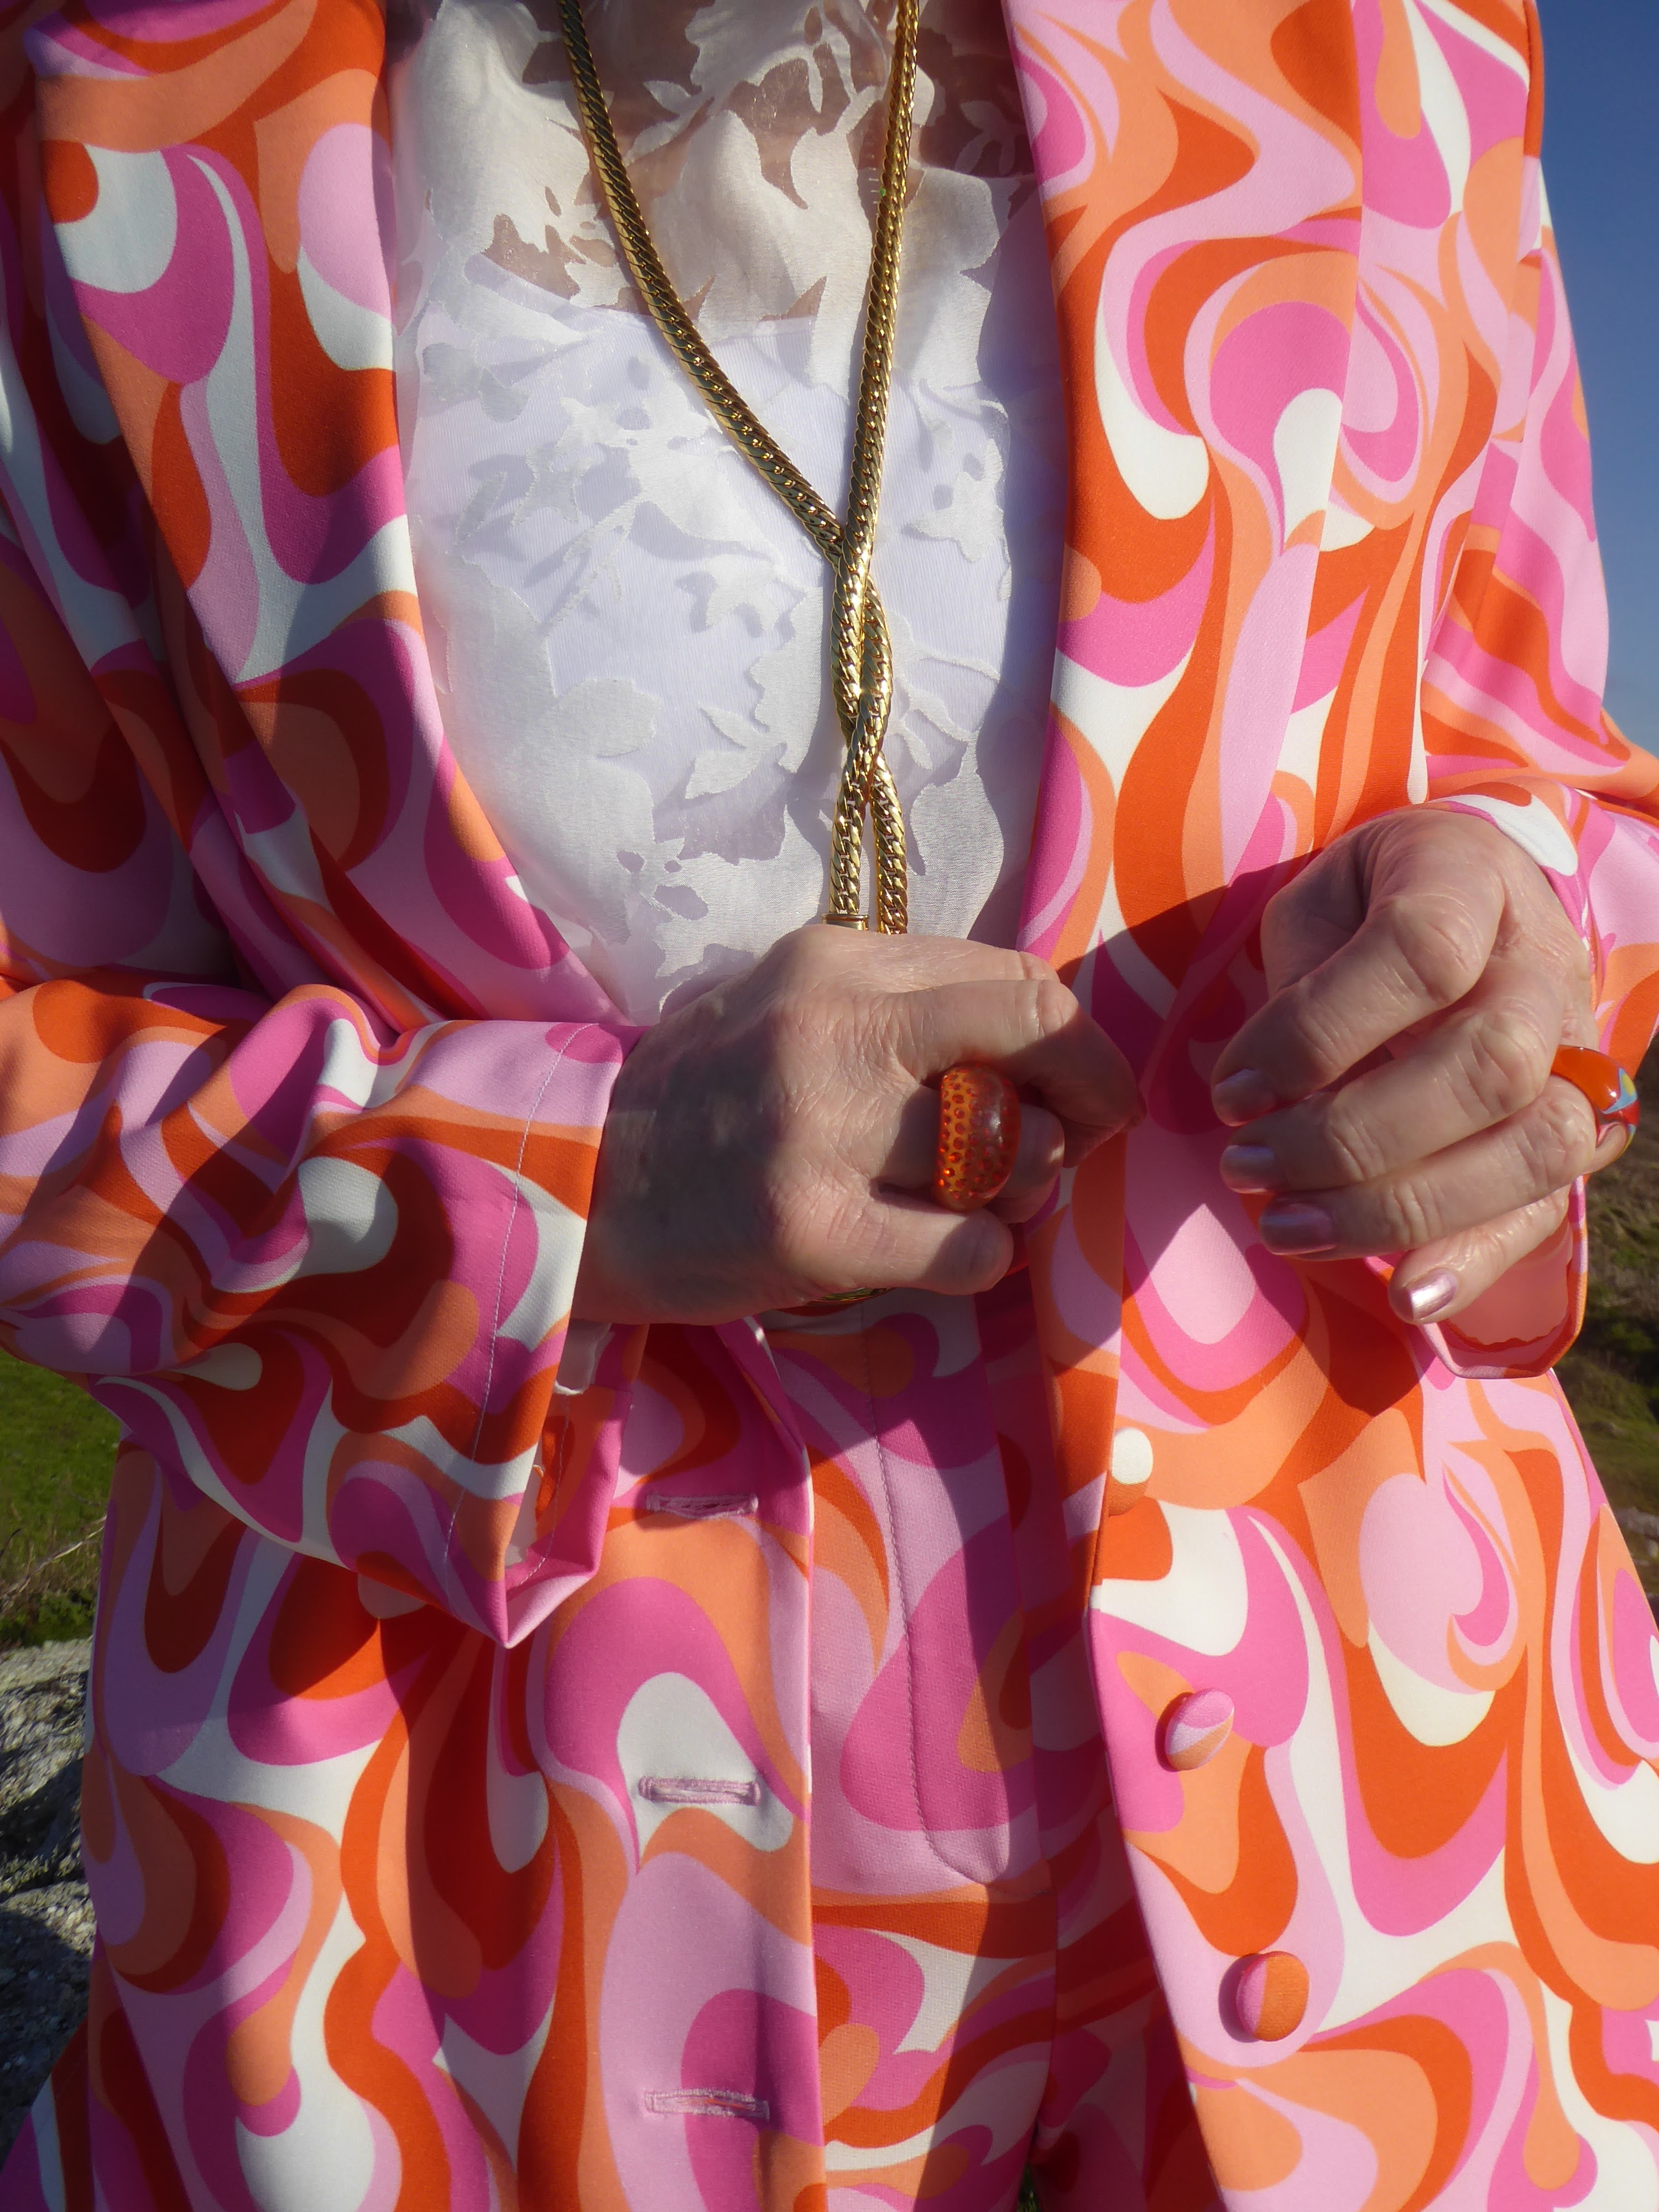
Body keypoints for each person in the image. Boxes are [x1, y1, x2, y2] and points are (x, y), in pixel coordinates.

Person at [1, 0, 1656, 2206]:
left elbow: (1548, 774)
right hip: (461, 1927)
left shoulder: (1408, 42)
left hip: (1397, 1840)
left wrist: (1516, 948)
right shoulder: (102, 102)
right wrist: (548, 1191)